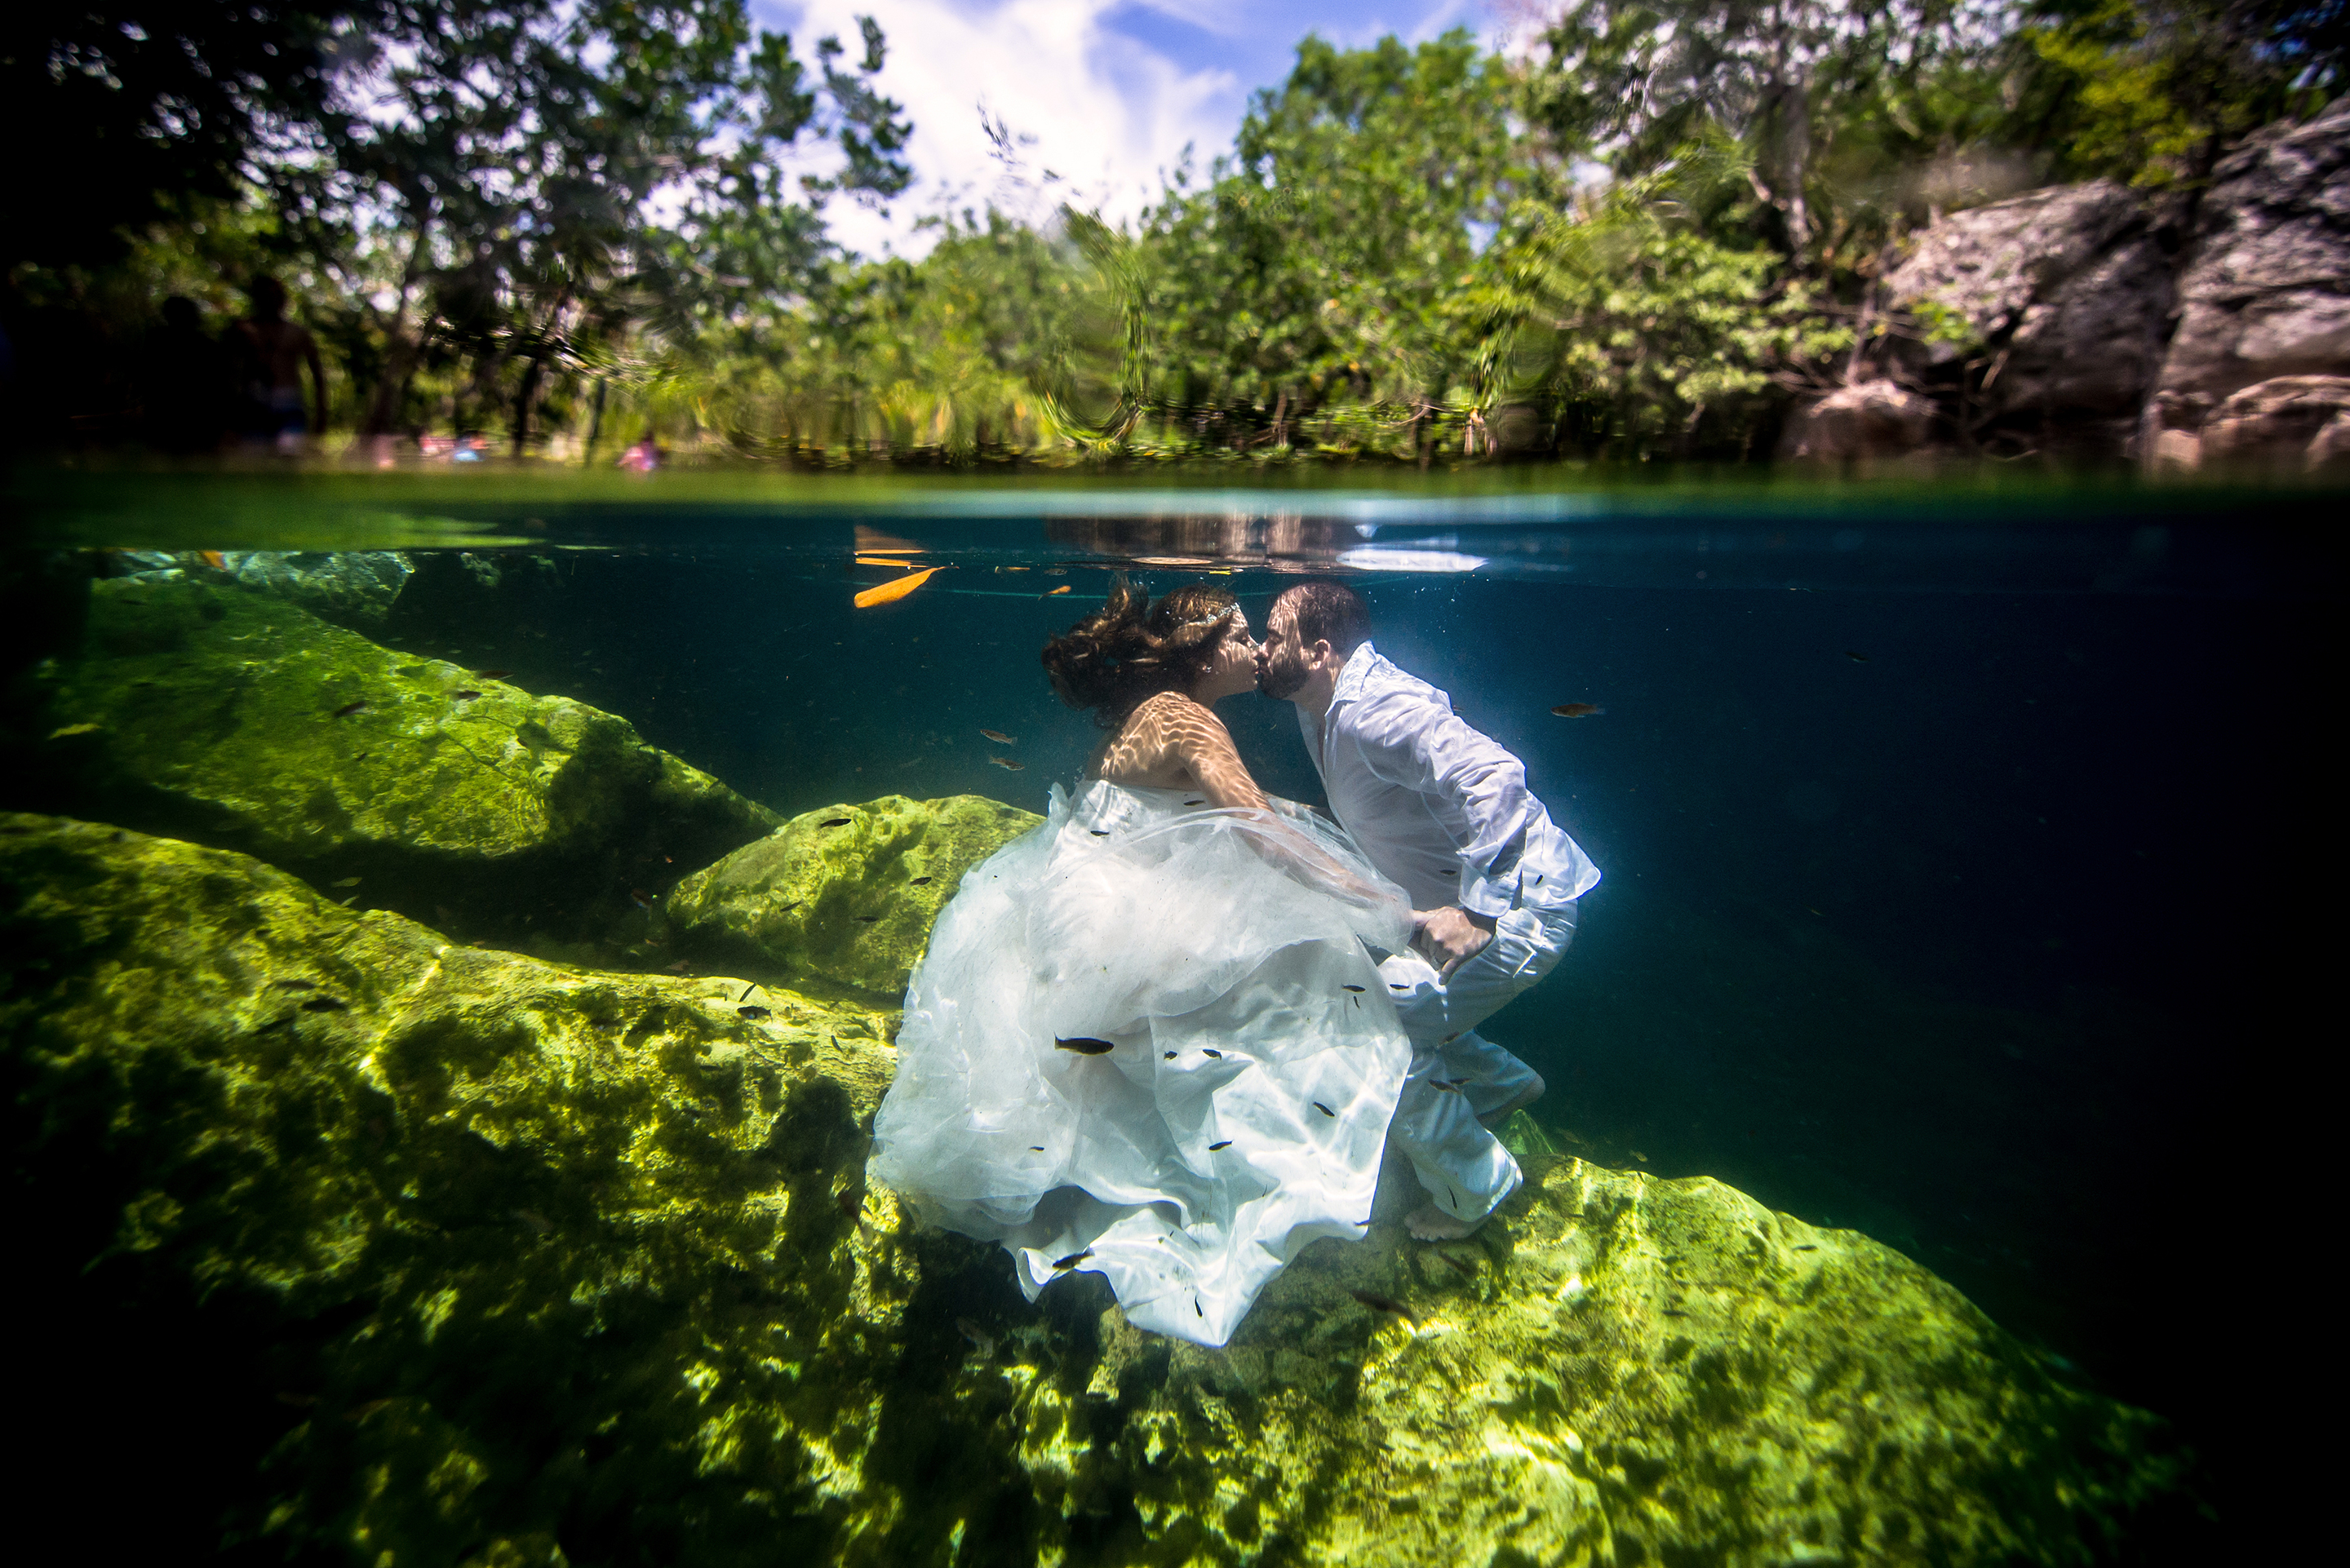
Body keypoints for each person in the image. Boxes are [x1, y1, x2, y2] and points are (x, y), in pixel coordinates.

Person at [869, 578, 1417, 1346]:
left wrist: (1296, 818)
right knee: (1319, 965)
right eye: (1239, 635)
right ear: (1200, 649)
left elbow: (1220, 807)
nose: (1256, 649)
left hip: (1074, 917)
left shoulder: (1154, 716)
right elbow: (1256, 827)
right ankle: (1272, 1173)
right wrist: (1393, 909)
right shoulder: (1188, 720)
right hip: (1117, 927)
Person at [1257, 580, 1600, 1241]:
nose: (1262, 645)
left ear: (1321, 650)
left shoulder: (1374, 708)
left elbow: (1494, 776)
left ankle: (1478, 1187)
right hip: (1489, 898)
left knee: (1370, 1024)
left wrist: (1480, 911)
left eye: (1274, 635)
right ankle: (1501, 1086)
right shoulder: (1320, 702)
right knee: (1365, 993)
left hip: (1525, 908)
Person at [227, 276, 326, 451]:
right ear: (256, 299)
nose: (271, 301)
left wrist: (322, 414)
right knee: (253, 459)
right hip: (253, 403)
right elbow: (228, 372)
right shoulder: (242, 330)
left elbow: (317, 374)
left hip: (289, 403)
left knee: (289, 457)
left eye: (275, 296)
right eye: (265, 296)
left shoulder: (298, 333)